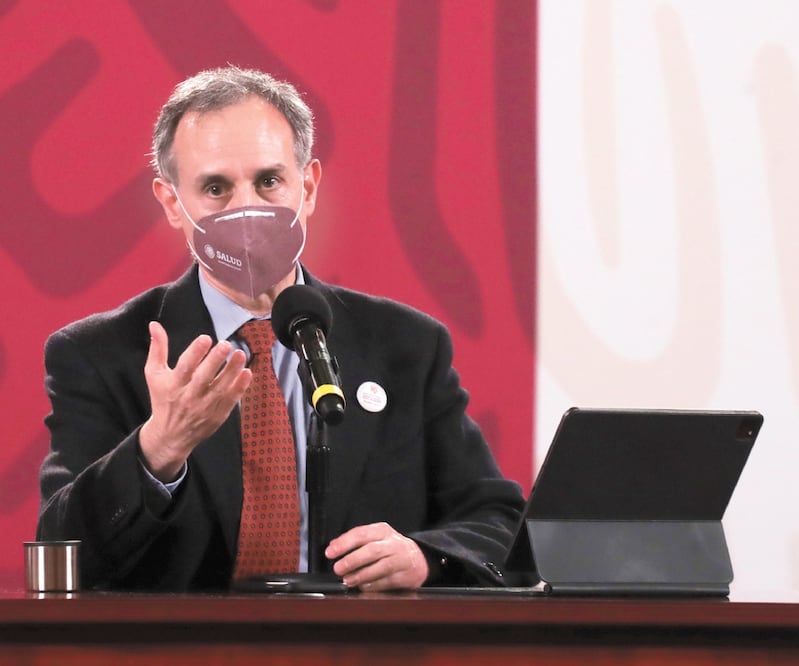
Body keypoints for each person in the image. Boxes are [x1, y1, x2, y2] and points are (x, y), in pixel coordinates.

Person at [37, 66, 525, 592]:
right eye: (216, 188)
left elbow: (500, 522)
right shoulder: (99, 354)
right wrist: (157, 448)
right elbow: (63, 554)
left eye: (269, 181)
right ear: (172, 204)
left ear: (308, 187)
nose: (246, 208)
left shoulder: (406, 346)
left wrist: (428, 559)